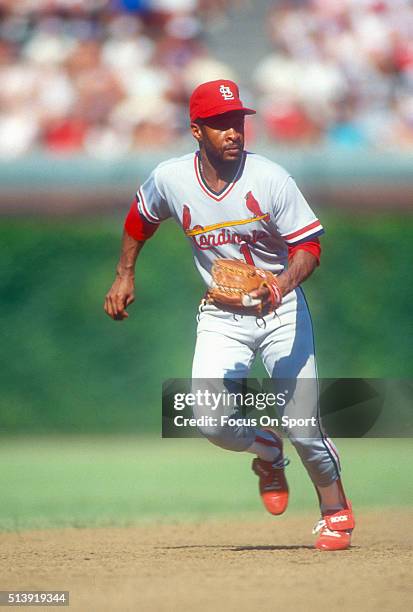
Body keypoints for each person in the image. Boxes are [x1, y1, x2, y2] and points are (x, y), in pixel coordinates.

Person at [104, 79, 355, 551]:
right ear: (196, 130)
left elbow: (309, 245)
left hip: (280, 309)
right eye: (221, 124)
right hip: (221, 314)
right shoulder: (170, 178)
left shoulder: (271, 179)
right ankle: (265, 448)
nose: (233, 131)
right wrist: (124, 273)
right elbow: (141, 218)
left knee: (303, 426)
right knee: (209, 419)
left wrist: (279, 285)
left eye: (238, 121)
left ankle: (334, 508)